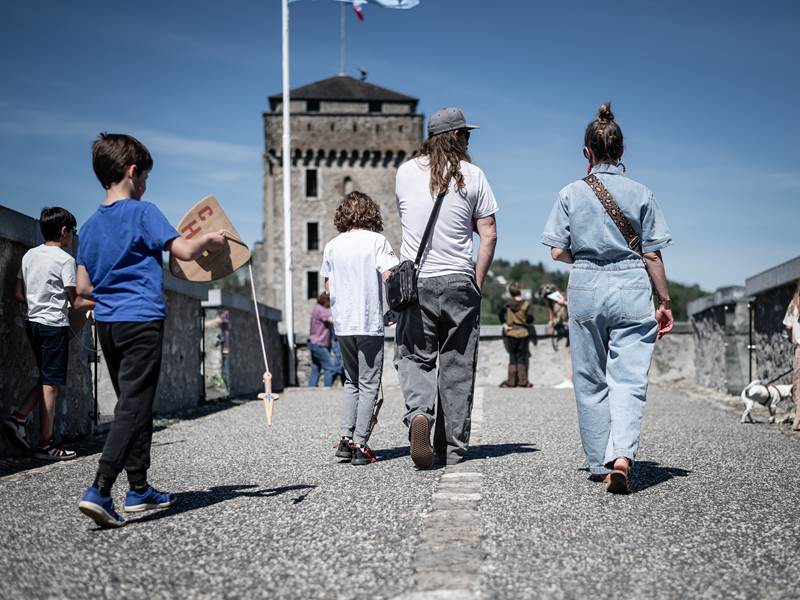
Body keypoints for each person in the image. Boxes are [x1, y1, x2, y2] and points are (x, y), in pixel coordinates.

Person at [76, 133, 225, 527]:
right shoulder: (144, 213)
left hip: (107, 324)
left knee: (133, 402)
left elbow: (83, 289)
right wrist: (209, 239)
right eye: (144, 177)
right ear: (132, 172)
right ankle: (100, 488)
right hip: (141, 319)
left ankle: (139, 489)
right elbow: (185, 252)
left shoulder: (88, 228)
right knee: (135, 405)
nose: (145, 185)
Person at [541, 103, 673, 494]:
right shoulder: (642, 193)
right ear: (621, 152)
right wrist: (663, 300)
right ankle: (623, 457)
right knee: (629, 379)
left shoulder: (569, 193)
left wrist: (585, 257)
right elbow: (652, 253)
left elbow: (556, 252)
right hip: (632, 285)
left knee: (589, 378)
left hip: (585, 286)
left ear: (587, 153)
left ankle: (600, 461)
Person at [395, 107, 498, 469]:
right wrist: (477, 281)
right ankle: (452, 449)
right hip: (459, 280)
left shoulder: (405, 172)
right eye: (466, 135)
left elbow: (407, 221)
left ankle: (420, 414)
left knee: (415, 356)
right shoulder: (474, 175)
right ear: (456, 137)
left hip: (417, 282)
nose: (470, 141)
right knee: (457, 364)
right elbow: (488, 234)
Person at [2, 207, 95, 460]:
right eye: (72, 232)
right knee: (51, 383)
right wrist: (101, 301)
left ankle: (19, 418)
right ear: (64, 231)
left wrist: (39, 303)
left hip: (33, 323)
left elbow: (19, 294)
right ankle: (46, 444)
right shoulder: (65, 260)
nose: (72, 237)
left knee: (46, 377)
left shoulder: (30, 256)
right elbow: (76, 303)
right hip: (54, 325)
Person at [321, 191, 399, 465]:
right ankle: (361, 445)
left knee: (351, 382)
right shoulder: (377, 241)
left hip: (343, 324)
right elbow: (391, 277)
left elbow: (328, 288)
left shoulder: (332, 245)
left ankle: (345, 439)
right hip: (368, 321)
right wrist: (394, 309)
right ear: (371, 213)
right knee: (369, 385)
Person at [498, 282, 533, 388]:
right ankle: (523, 381)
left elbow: (500, 314)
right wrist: (524, 319)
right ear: (519, 291)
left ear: (510, 292)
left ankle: (511, 382)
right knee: (522, 358)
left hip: (511, 332)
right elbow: (530, 319)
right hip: (523, 333)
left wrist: (505, 324)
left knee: (512, 357)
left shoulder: (507, 304)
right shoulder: (526, 304)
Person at [542, 284, 573, 390]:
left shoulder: (563, 297)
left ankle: (570, 380)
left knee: (571, 355)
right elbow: (552, 315)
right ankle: (569, 379)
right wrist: (552, 322)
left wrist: (563, 303)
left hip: (572, 328)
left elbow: (572, 308)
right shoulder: (551, 302)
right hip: (566, 328)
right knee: (568, 354)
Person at [308, 292, 337, 387]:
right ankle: (327, 390)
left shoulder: (316, 308)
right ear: (326, 300)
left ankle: (311, 390)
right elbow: (333, 319)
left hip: (313, 342)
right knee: (330, 368)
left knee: (316, 368)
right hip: (318, 343)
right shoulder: (321, 310)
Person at [783, 282, 800, 431]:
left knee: (799, 385)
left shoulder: (793, 305)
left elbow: (788, 327)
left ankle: (798, 420)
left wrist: (791, 337)